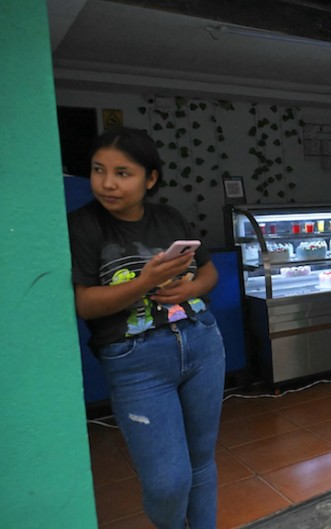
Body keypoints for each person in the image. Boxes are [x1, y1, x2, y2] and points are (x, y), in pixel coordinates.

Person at [68, 127, 225, 528]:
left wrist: (189, 287)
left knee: (202, 464)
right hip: (136, 361)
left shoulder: (169, 216)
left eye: (123, 173)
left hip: (201, 341)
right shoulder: (83, 225)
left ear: (149, 178)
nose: (107, 183)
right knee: (168, 482)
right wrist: (146, 281)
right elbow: (83, 304)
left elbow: (209, 273)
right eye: (98, 170)